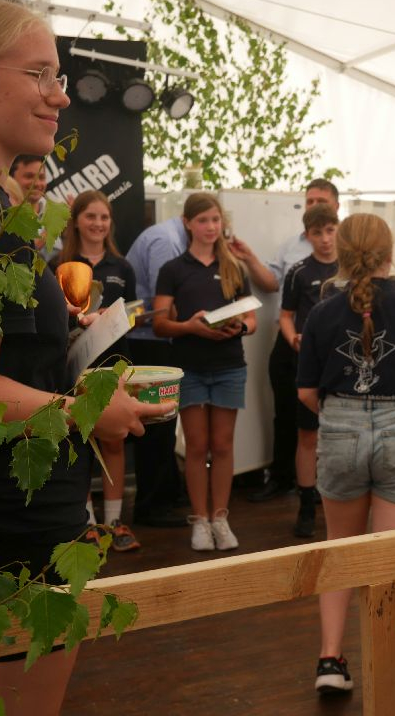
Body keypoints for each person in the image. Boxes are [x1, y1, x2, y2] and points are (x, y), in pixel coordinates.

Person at [0, 0, 169, 714]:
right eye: (39, 74)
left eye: (59, 77)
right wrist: (88, 411)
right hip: (7, 526)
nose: (59, 96)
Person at [297, 213, 395, 694]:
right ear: (389, 254)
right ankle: (387, 666)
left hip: (339, 430)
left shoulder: (321, 313)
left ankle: (330, 660)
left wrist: (345, 411)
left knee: (340, 548)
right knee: (390, 559)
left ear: (342, 255)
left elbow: (306, 392)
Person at [153, 193, 257, 551]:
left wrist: (239, 327)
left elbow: (252, 319)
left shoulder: (235, 267)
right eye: (203, 220)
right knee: (196, 446)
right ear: (187, 223)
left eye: (215, 219)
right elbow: (160, 324)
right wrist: (190, 326)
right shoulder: (173, 269)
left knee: (223, 445)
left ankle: (220, 518)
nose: (211, 227)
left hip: (229, 366)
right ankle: (199, 520)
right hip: (190, 367)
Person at [232, 179, 339, 504]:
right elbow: (270, 284)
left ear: (337, 206)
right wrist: (249, 258)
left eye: (321, 200)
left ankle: (325, 485)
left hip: (333, 347)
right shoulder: (291, 247)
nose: (314, 205)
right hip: (290, 339)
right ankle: (281, 478)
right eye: (309, 201)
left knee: (328, 418)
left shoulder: (347, 245)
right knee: (286, 410)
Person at [52, 190, 141, 548]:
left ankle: (114, 522)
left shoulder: (122, 267)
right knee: (79, 441)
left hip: (113, 364)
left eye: (104, 217)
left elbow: (134, 313)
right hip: (74, 364)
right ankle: (86, 524)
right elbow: (50, 319)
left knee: (113, 441)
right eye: (90, 216)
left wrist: (114, 317)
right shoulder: (59, 264)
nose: (98, 223)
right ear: (76, 221)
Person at [279, 205, 340, 538]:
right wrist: (294, 340)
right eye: (318, 233)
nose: (325, 239)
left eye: (330, 230)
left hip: (344, 365)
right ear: (308, 236)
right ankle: (305, 505)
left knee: (340, 433)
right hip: (310, 365)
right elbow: (286, 316)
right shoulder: (298, 271)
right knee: (307, 435)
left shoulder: (350, 267)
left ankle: (337, 500)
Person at [125, 215, 189, 528]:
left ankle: (170, 493)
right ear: (190, 221)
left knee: (163, 424)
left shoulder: (167, 235)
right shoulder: (167, 241)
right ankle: (151, 506)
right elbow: (164, 304)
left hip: (150, 340)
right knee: (157, 424)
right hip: (150, 342)